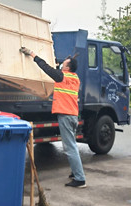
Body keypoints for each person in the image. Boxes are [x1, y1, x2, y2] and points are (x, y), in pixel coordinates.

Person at [20, 47, 86, 188]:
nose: (61, 64)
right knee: (72, 146)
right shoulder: (75, 78)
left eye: (64, 63)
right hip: (73, 115)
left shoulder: (62, 76)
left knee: (69, 148)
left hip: (66, 116)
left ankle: (80, 179)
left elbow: (46, 68)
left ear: (67, 68)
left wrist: (32, 54)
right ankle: (76, 172)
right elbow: (57, 72)